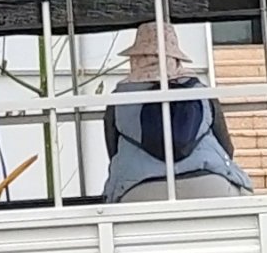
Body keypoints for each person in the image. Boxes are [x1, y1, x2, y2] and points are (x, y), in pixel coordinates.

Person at [103, 23, 253, 203]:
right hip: (210, 185)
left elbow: (113, 151)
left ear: (136, 59)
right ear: (175, 58)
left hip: (138, 191)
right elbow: (227, 147)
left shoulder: (118, 98)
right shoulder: (200, 91)